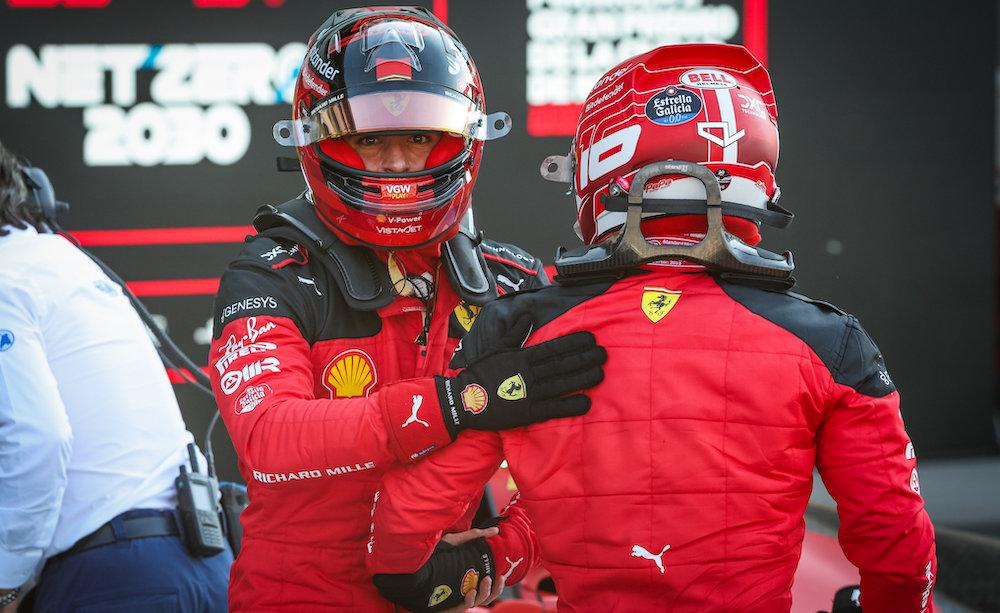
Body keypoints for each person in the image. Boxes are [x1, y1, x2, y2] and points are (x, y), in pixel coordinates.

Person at [365, 44, 938, 612]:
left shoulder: (519, 331)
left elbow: (402, 538)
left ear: (600, 166)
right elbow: (898, 545)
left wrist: (462, 570)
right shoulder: (829, 343)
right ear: (755, 173)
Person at [209, 7, 605, 611]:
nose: (397, 164)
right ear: (320, 142)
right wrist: (453, 404)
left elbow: (584, 458)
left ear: (463, 139)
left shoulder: (512, 279)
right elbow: (268, 439)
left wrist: (504, 553)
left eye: (419, 137)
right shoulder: (272, 273)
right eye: (369, 139)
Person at [0, 140, 232, 612]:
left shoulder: (7, 278)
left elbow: (37, 438)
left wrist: (6, 579)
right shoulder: (57, 260)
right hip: (200, 565)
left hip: (118, 577)